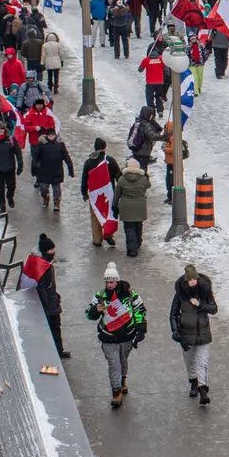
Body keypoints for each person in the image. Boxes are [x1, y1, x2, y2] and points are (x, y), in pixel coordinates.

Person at [86, 263, 147, 409]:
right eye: (107, 282)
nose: (109, 285)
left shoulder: (131, 295)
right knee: (114, 365)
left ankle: (123, 380)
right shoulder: (99, 296)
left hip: (127, 336)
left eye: (112, 282)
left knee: (123, 361)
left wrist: (141, 330)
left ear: (117, 281)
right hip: (108, 338)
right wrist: (95, 310)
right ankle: (116, 392)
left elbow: (139, 311)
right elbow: (89, 314)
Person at [169, 263, 218, 406]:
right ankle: (193, 384)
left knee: (202, 363)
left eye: (194, 280)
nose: (192, 283)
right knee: (190, 362)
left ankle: (203, 390)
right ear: (186, 281)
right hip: (186, 334)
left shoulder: (205, 292)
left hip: (203, 334)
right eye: (189, 280)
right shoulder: (180, 295)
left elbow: (214, 309)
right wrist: (175, 330)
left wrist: (200, 304)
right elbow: (173, 314)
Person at [31, 235, 69, 358]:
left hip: (52, 300)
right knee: (52, 327)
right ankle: (54, 352)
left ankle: (58, 350)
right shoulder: (42, 266)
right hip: (49, 304)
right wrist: (47, 301)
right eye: (51, 250)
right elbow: (41, 286)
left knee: (55, 327)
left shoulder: (45, 263)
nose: (53, 253)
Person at [81, 140, 121, 248]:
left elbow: (84, 179)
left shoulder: (88, 162)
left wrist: (84, 193)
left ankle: (97, 239)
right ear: (104, 148)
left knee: (96, 216)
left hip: (94, 195)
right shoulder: (110, 161)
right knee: (109, 214)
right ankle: (108, 233)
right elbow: (119, 176)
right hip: (109, 193)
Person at [31, 127, 74, 211]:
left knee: (57, 191)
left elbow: (66, 157)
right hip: (44, 171)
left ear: (55, 135)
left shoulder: (60, 145)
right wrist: (34, 169)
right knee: (44, 189)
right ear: (46, 135)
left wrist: (70, 167)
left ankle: (56, 203)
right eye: (49, 134)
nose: (51, 136)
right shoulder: (41, 145)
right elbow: (35, 158)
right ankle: (46, 198)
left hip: (56, 171)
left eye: (52, 134)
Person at [0, 122, 22, 214]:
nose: (0, 130)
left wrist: (20, 165)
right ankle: (2, 205)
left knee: (12, 186)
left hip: (10, 168)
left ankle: (10, 197)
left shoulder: (11, 139)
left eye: (2, 129)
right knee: (0, 189)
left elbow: (18, 152)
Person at [118, 159, 151, 258]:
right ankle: (138, 242)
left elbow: (117, 193)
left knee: (129, 228)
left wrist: (114, 205)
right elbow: (148, 185)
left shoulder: (122, 179)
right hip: (139, 206)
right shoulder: (143, 179)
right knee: (138, 225)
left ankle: (132, 249)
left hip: (126, 206)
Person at [40, 29, 64, 94]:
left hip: (48, 62)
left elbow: (43, 55)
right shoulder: (58, 45)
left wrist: (42, 63)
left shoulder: (45, 45)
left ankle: (50, 87)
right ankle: (56, 87)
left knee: (49, 75)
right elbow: (61, 54)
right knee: (56, 75)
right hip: (56, 62)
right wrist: (62, 61)